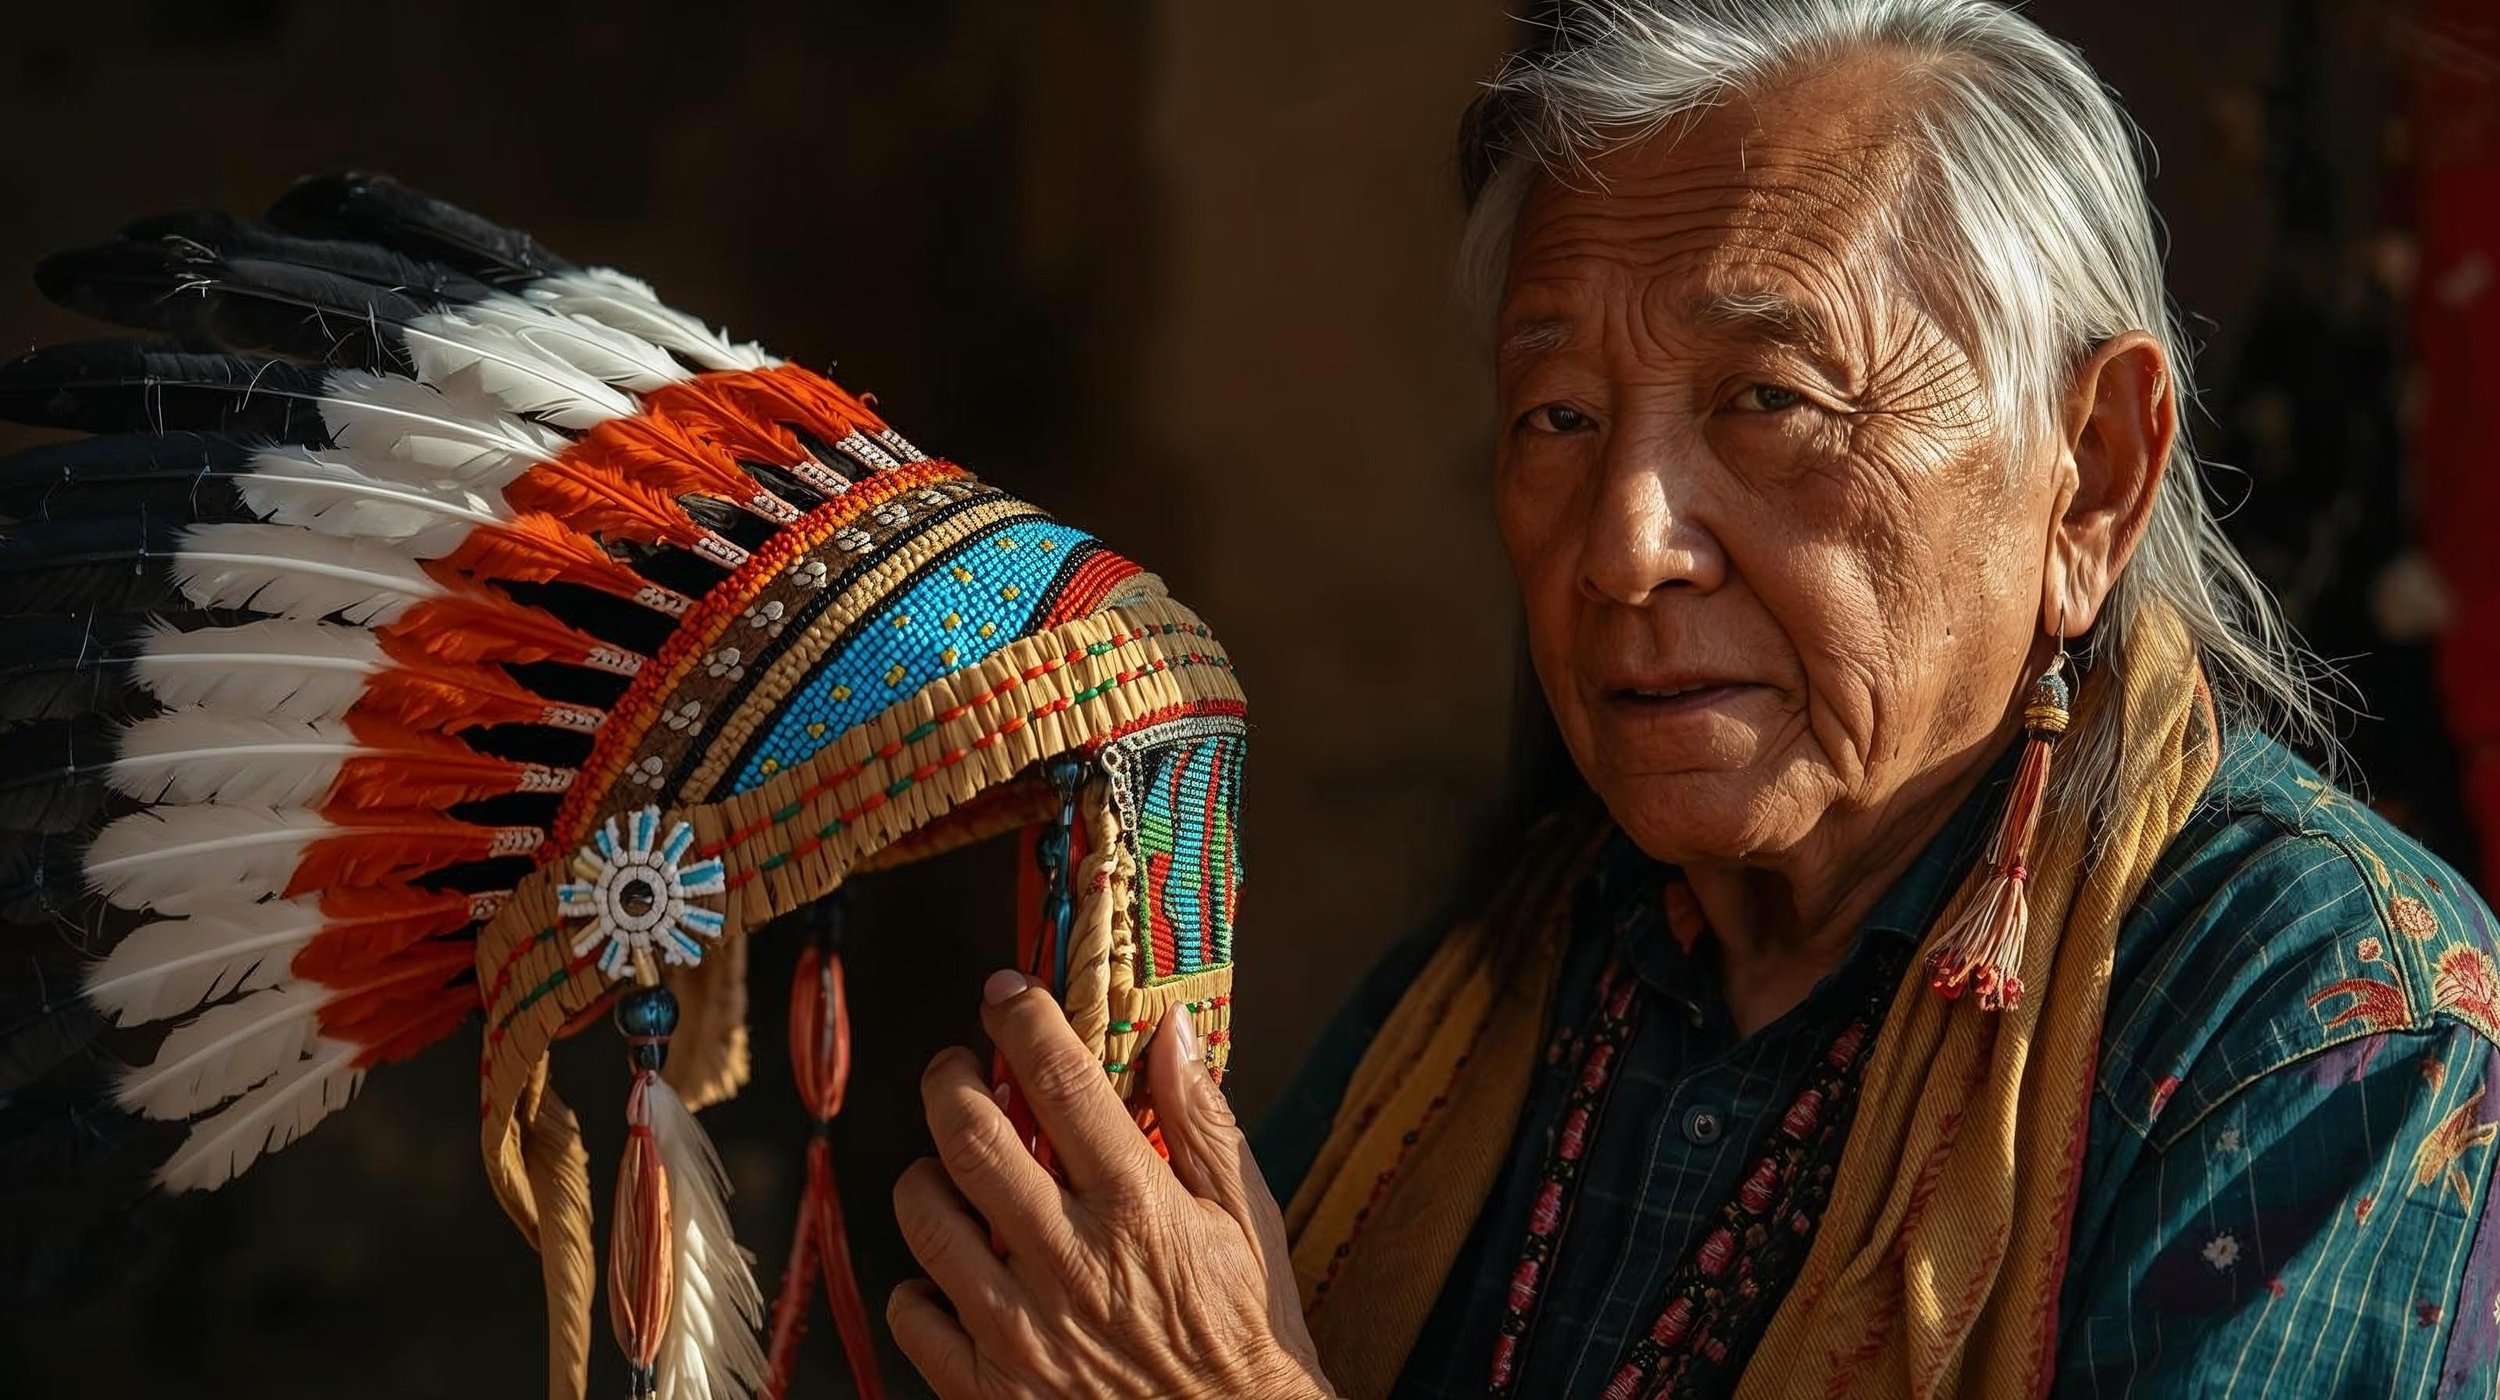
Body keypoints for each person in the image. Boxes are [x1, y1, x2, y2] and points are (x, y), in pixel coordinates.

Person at [885, 2, 2500, 1397]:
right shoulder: (1510, 976)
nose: (1625, 546)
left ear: (2090, 477)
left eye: (1770, 399)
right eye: (1559, 416)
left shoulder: (2324, 1028)